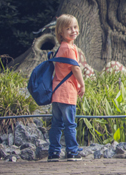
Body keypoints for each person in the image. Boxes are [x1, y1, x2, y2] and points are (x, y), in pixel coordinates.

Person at [48, 14, 86, 162]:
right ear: (60, 33)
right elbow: (75, 69)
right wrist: (82, 84)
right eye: (68, 28)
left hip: (57, 92)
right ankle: (72, 151)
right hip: (67, 92)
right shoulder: (69, 48)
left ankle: (54, 152)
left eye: (75, 27)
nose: (73, 30)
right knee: (70, 124)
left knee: (57, 124)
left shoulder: (62, 47)